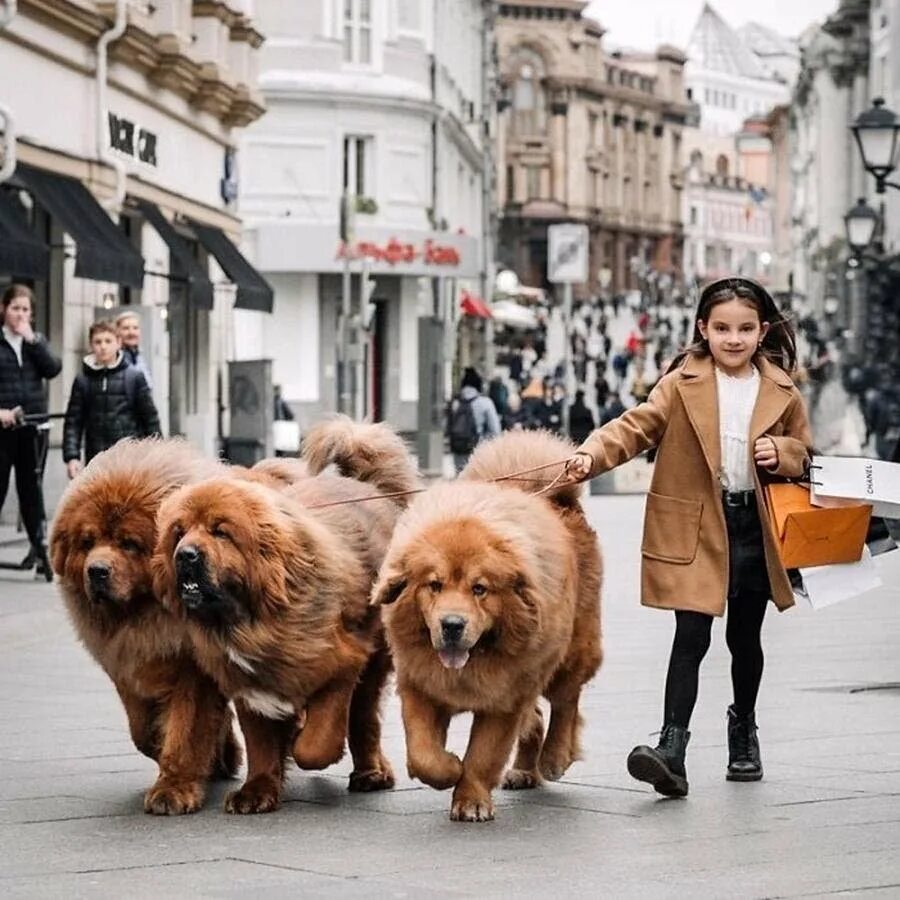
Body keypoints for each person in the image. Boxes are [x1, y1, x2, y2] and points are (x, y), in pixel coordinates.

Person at [565, 276, 812, 797]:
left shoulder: (782, 390)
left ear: (762, 330)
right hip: (698, 524)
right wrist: (590, 455)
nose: (733, 338)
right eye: (722, 328)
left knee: (745, 637)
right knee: (691, 635)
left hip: (755, 526)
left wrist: (783, 454)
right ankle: (671, 748)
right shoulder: (681, 383)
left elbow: (807, 454)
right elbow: (637, 426)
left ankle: (743, 730)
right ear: (703, 328)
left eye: (746, 328)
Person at [0, 284, 62, 579]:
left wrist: (32, 340)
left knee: (31, 489)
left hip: (32, 427)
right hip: (2, 428)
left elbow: (53, 369)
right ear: (4, 309)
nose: (21, 315)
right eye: (16, 308)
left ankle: (39, 549)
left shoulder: (35, 342)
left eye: (26, 310)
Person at [63, 319, 161, 477]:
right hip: (95, 459)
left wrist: (157, 454)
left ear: (118, 343)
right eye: (98, 342)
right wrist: (72, 456)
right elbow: (74, 421)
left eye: (108, 341)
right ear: (91, 345)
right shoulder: (83, 380)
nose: (103, 346)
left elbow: (150, 419)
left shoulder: (134, 377)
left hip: (129, 460)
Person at [447, 367, 501, 473]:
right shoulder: (485, 402)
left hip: (458, 449)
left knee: (460, 481)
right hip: (478, 450)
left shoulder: (455, 403)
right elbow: (495, 431)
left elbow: (448, 427)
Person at [115, 310, 153, 391]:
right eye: (126, 328)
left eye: (135, 328)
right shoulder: (115, 358)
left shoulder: (138, 356)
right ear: (117, 332)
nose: (131, 332)